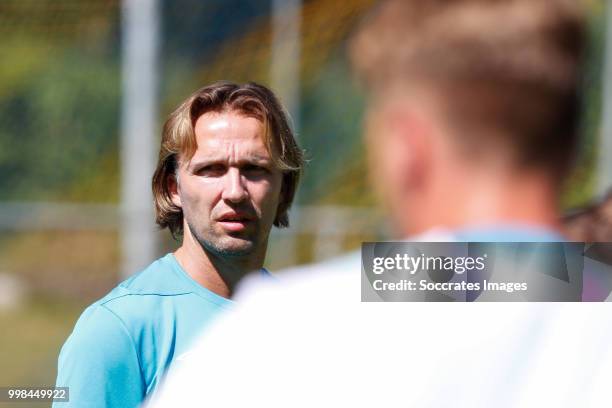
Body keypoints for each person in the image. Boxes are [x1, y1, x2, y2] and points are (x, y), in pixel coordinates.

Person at [150, 1, 612, 407]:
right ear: (570, 148)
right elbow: (518, 273)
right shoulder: (591, 308)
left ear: (406, 148)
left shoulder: (286, 332)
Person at [53, 81, 304, 407]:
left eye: (254, 169)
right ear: (173, 188)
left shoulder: (306, 324)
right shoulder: (117, 330)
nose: (235, 191)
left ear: (284, 189)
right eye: (211, 169)